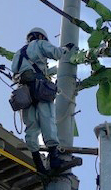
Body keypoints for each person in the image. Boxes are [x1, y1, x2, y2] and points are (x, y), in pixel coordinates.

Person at [11, 27, 74, 174]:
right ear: (39, 36)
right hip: (40, 88)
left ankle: (38, 164)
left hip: (24, 92)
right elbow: (56, 53)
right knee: (47, 120)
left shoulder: (18, 54)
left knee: (31, 126)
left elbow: (16, 71)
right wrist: (66, 48)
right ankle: (54, 159)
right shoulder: (39, 44)